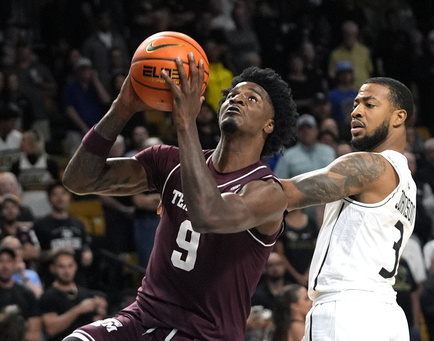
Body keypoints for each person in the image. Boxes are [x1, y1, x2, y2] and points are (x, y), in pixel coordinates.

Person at [61, 56, 298, 341]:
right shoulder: (168, 161)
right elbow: (78, 180)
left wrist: (186, 122)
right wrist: (122, 108)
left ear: (270, 125)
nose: (237, 99)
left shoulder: (266, 192)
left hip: (204, 333)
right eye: (232, 95)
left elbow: (208, 215)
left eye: (252, 98)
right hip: (143, 316)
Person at [281, 77, 416, 340]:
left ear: (399, 117)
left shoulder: (369, 166)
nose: (356, 111)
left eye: (370, 104)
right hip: (388, 313)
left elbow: (286, 194)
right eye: (355, 104)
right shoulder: (408, 184)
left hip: (348, 310)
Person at [33, 182, 93, 289]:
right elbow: (36, 255)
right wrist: (56, 252)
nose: (60, 198)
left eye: (63, 194)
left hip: (79, 280)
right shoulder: (40, 225)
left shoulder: (78, 223)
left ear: (69, 197)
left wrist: (88, 253)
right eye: (55, 194)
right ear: (49, 198)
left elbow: (85, 246)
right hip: (52, 282)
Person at [39, 250, 107, 341]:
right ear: (53, 268)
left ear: (75, 267)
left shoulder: (86, 294)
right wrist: (79, 309)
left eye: (70, 266)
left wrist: (100, 312)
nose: (66, 271)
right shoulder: (48, 297)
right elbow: (51, 329)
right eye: (61, 267)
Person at [0, 246, 42, 341]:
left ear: (15, 263)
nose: (5, 266)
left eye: (9, 261)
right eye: (1, 261)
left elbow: (35, 335)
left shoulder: (27, 294)